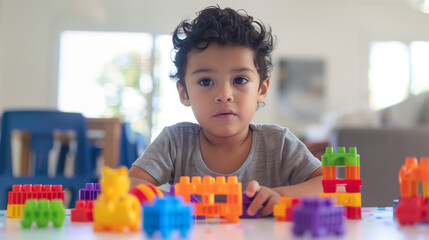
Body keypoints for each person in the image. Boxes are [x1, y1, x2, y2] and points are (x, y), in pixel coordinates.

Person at [128, 5, 323, 217]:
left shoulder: (279, 142)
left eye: (239, 80)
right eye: (205, 81)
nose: (224, 94)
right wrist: (174, 201)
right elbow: (130, 185)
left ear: (262, 90)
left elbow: (331, 186)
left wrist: (282, 196)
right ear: (184, 93)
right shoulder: (175, 142)